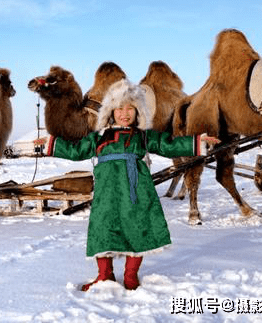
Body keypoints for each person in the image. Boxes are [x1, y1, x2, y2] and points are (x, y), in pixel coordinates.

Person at [34, 79, 220, 291]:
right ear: (111, 112)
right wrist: (52, 144)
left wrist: (197, 143)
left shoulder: (142, 136)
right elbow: (76, 151)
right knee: (103, 230)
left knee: (137, 230)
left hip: (136, 192)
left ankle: (131, 276)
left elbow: (167, 144)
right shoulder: (99, 138)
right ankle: (104, 275)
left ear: (138, 111)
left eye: (130, 108)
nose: (124, 113)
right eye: (119, 108)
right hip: (106, 193)